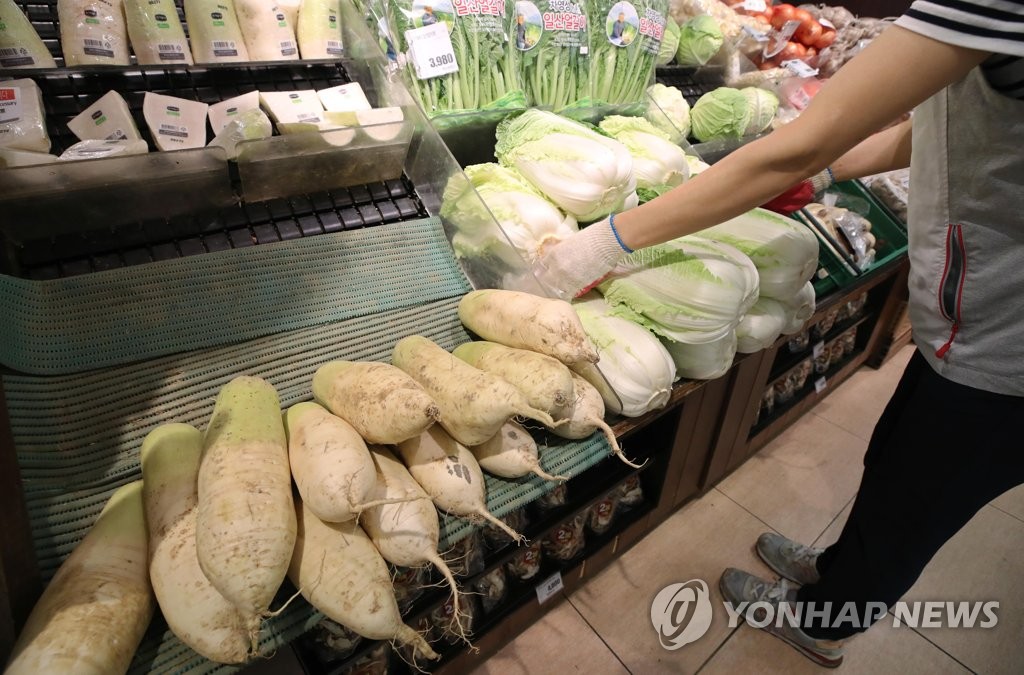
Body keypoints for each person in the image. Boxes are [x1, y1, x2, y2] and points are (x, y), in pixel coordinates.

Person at [533, 0, 1024, 667]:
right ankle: (838, 569)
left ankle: (824, 620)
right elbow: (942, 128)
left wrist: (607, 241)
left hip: (1005, 347)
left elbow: (798, 143)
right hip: (975, 322)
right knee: (895, 461)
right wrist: (825, 173)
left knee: (918, 501)